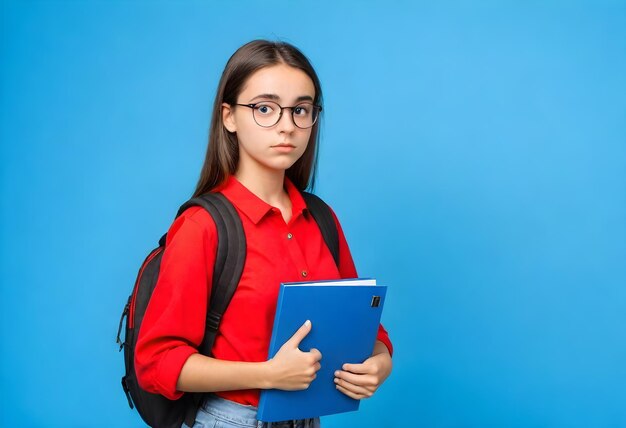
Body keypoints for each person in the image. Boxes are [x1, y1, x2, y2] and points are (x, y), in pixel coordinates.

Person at [135, 39, 393, 428]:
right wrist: (267, 374)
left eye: (301, 110)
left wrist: (379, 363)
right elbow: (157, 362)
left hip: (308, 420)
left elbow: (363, 324)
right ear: (229, 117)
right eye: (265, 108)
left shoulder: (321, 218)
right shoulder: (203, 226)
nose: (287, 125)